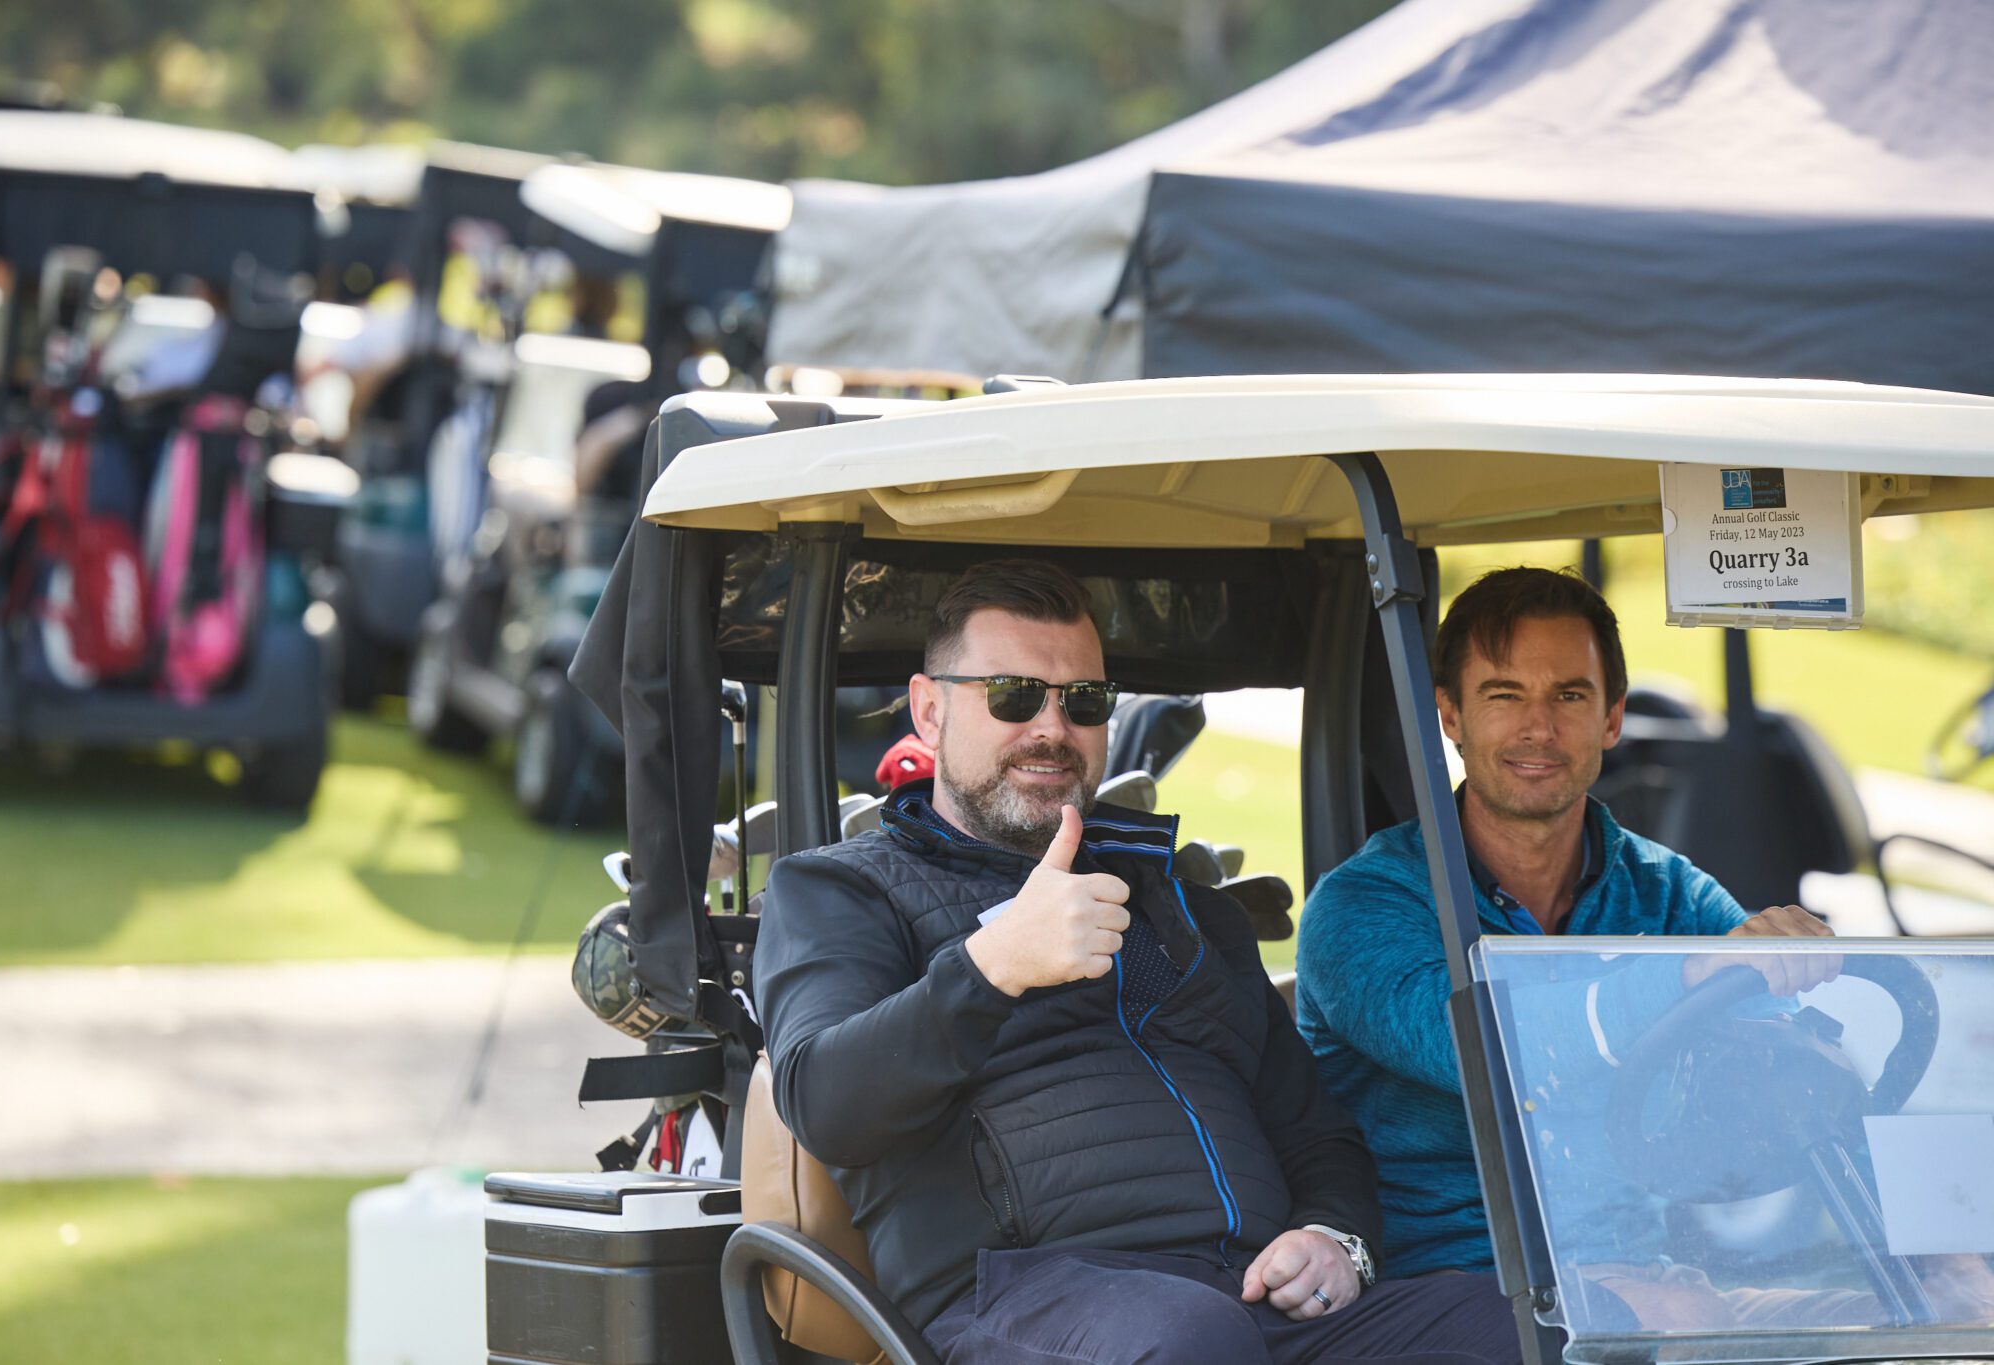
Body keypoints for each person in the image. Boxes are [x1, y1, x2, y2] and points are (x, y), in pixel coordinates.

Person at [756, 559, 1520, 1365]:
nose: (1052, 728)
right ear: (930, 709)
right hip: (1029, 1299)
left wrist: (1337, 1236)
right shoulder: (841, 889)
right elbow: (824, 1102)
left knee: (1526, 1328)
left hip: (1250, 1302)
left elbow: (1317, 1133)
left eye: (1083, 700)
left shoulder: (1182, 905)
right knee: (1191, 1337)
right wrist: (992, 965)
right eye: (1013, 695)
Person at [1296, 566, 1840, 1282]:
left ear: (1611, 719)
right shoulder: (1364, 905)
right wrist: (1683, 976)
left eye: (1569, 695)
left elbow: (1798, 1055)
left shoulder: (1667, 892)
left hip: (1641, 1278)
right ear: (1451, 716)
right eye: (1504, 695)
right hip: (1441, 1289)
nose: (1539, 727)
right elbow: (1486, 1049)